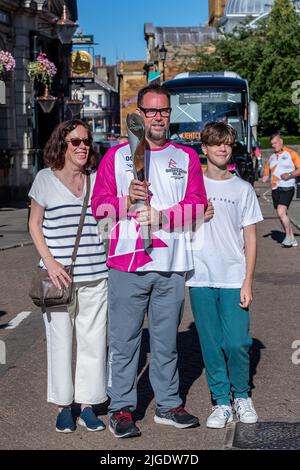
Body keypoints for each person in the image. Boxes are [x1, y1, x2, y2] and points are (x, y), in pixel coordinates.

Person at [91, 83, 207, 438]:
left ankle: (169, 404)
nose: (158, 117)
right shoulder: (117, 156)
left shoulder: (185, 157)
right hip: (127, 262)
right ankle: (122, 408)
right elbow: (99, 207)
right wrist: (126, 201)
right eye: (152, 111)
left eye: (164, 111)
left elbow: (198, 206)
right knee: (125, 341)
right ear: (139, 114)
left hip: (171, 263)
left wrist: (162, 218)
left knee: (165, 341)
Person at [29, 119, 108, 433]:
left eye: (86, 141)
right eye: (75, 141)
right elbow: (34, 225)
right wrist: (49, 262)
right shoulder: (44, 180)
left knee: (93, 343)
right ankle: (64, 407)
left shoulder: (97, 179)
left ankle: (88, 406)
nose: (82, 146)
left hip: (97, 275)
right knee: (60, 342)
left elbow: (107, 224)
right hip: (57, 279)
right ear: (61, 144)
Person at [186, 122, 263, 429]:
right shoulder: (193, 187)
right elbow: (176, 225)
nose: (222, 148)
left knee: (237, 342)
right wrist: (195, 215)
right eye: (215, 144)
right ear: (203, 148)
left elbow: (251, 238)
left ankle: (242, 395)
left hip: (233, 277)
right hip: (200, 276)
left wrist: (248, 281)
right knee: (211, 343)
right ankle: (221, 401)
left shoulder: (242, 189)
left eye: (227, 144)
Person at [262, 132, 300, 247]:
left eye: (275, 142)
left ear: (281, 141)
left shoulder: (291, 153)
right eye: (272, 144)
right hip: (275, 189)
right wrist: (265, 176)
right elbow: (267, 170)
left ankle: (288, 237)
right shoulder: (272, 157)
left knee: (281, 211)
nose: (273, 145)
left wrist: (289, 174)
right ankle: (292, 238)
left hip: (287, 187)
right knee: (282, 214)